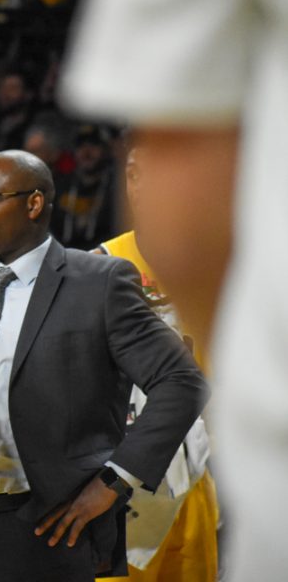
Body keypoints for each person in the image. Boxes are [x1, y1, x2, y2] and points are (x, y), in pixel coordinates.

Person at [59, 0, 284, 577]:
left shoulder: (215, 249)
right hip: (141, 452)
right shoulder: (102, 264)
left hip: (214, 450)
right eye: (132, 172)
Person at [0, 150, 209, 581]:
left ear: (33, 203)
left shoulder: (99, 281)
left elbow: (181, 380)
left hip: (54, 527)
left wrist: (114, 483)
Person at [94, 144, 219, 582]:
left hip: (197, 470)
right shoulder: (99, 266)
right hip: (124, 475)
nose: (141, 186)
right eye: (132, 173)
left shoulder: (219, 262)